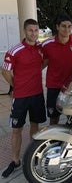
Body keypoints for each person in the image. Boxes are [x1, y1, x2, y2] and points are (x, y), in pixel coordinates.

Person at [1, 19, 47, 178]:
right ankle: (15, 161)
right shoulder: (15, 50)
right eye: (30, 30)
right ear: (24, 31)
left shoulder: (41, 49)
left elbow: (44, 62)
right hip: (20, 97)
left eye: (36, 30)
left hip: (37, 95)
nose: (34, 33)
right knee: (16, 130)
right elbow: (5, 72)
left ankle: (32, 156)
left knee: (35, 127)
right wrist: (17, 85)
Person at [42, 15, 72, 125]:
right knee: (54, 118)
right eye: (63, 26)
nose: (67, 29)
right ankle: (54, 140)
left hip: (70, 86)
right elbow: (41, 64)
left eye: (69, 26)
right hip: (53, 86)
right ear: (57, 27)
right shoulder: (47, 44)